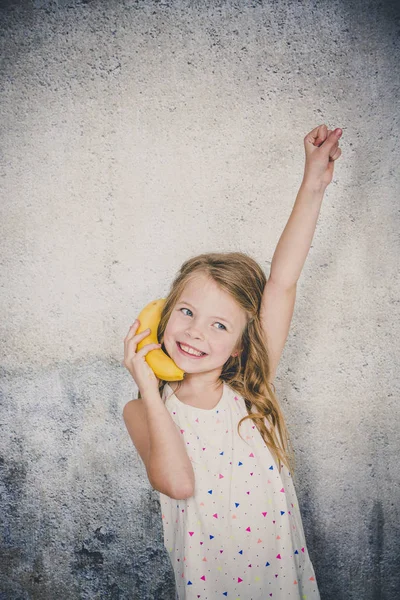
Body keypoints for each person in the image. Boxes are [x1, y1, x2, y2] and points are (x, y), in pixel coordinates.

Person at [123, 124, 343, 599]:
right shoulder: (144, 410)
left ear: (242, 344)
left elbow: (282, 282)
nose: (197, 331)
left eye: (220, 325)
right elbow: (178, 484)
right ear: (162, 316)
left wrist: (312, 184)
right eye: (186, 312)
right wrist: (147, 385)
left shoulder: (248, 390)